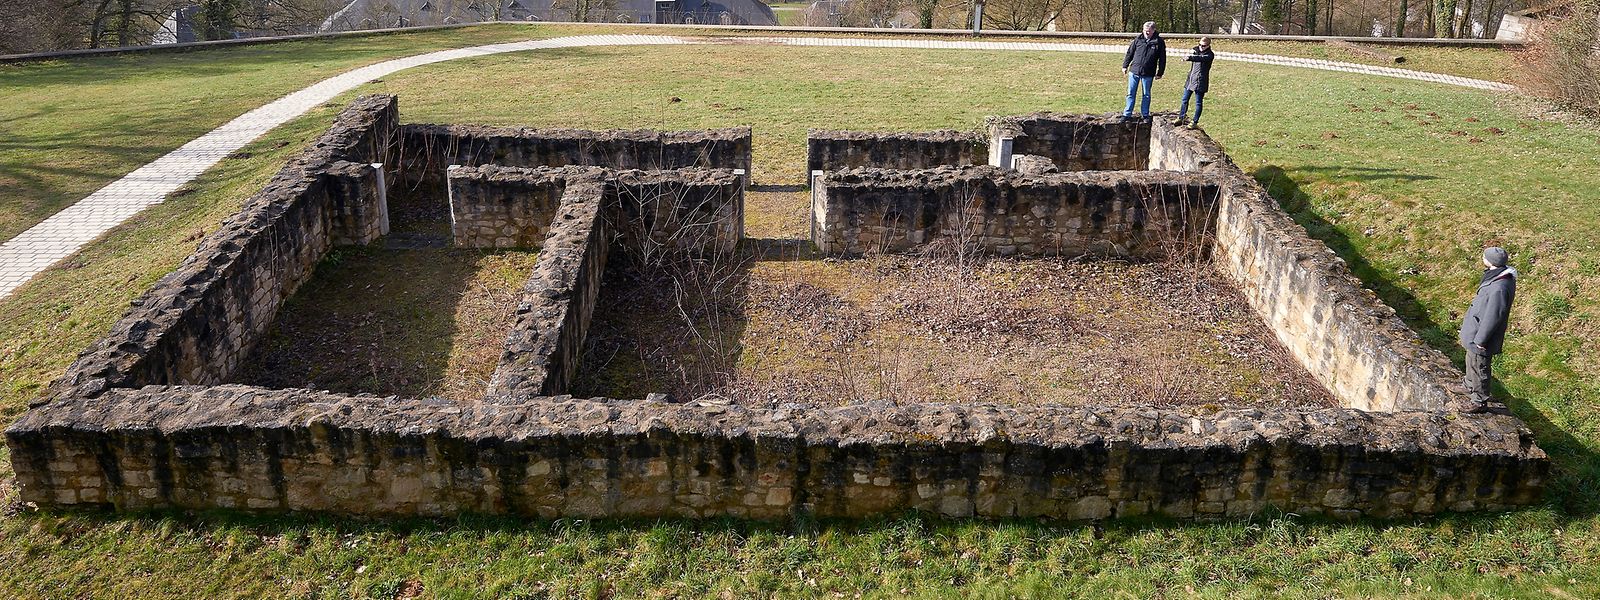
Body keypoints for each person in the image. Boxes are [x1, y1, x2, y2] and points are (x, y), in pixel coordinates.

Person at [1457, 247, 1517, 413]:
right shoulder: (1498, 276)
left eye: (1484, 256)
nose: (1482, 257)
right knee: (1471, 360)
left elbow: (1493, 316)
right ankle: (1469, 385)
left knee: (1479, 366)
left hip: (1481, 335)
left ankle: (1478, 401)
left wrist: (1481, 340)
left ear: (1490, 261)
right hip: (1475, 330)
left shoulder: (1500, 287)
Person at [1121, 21, 1166, 122]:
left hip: (1148, 73)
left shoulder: (1159, 42)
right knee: (1130, 93)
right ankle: (1127, 114)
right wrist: (1125, 66)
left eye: (1148, 31)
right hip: (1134, 71)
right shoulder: (1138, 39)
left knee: (1146, 94)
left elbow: (1162, 59)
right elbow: (1130, 53)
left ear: (1153, 30)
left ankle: (1145, 114)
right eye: (1145, 31)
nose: (1146, 33)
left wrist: (1160, 72)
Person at [1178, 37, 1214, 129]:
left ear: (1208, 46)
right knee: (1184, 99)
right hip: (1190, 80)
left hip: (1200, 81)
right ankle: (1181, 117)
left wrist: (1190, 57)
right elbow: (1195, 53)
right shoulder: (1195, 50)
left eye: (1204, 46)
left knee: (1198, 102)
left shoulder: (1210, 55)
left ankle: (1195, 121)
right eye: (1200, 45)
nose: (1201, 47)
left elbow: (1200, 58)